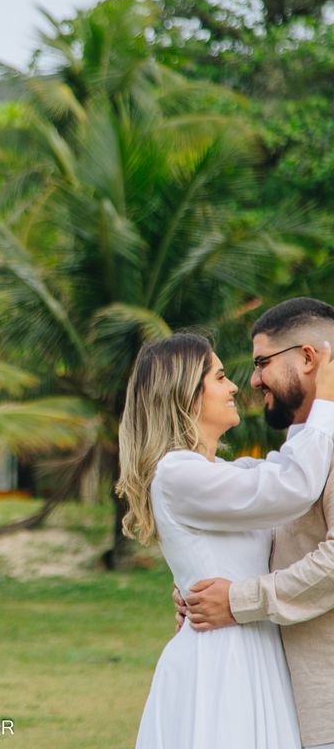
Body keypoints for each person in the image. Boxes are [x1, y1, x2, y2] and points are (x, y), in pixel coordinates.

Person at [117, 331, 334, 749]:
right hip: (223, 659)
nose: (235, 385)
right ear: (186, 395)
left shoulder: (219, 471)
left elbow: (278, 472)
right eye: (219, 377)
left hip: (251, 646)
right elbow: (292, 485)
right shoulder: (179, 473)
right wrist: (323, 401)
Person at [180, 298, 334, 749]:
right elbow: (278, 531)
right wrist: (201, 585)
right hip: (293, 704)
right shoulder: (304, 446)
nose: (251, 379)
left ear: (308, 358)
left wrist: (238, 599)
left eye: (262, 362)